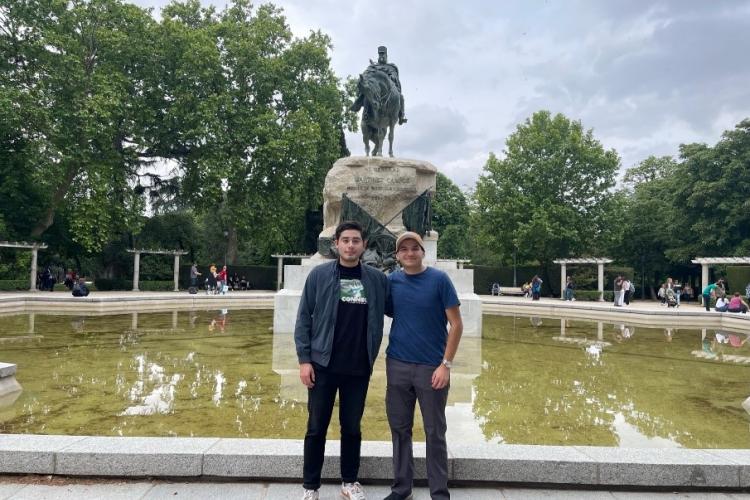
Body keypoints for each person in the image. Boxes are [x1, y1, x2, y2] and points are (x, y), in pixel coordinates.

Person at [295, 221, 389, 500]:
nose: (350, 245)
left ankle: (350, 482)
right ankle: (311, 487)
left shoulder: (376, 279)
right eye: (345, 240)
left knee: (352, 427)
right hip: (323, 365)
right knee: (316, 427)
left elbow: (400, 309)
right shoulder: (319, 276)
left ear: (364, 245)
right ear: (336, 244)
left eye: (356, 240)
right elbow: (303, 319)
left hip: (358, 366)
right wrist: (304, 360)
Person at [384, 231, 462, 500]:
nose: (409, 253)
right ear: (397, 256)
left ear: (422, 251)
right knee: (400, 429)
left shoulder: (439, 280)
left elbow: (457, 325)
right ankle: (401, 488)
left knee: (434, 431)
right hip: (397, 364)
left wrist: (446, 364)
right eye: (403, 249)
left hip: (432, 368)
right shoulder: (391, 281)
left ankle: (439, 492)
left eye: (414, 248)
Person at [351, 46, 407, 125]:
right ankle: (365, 113)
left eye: (383, 54)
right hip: (375, 89)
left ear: (386, 56)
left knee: (401, 97)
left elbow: (394, 75)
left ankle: (401, 115)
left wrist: (391, 77)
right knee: (367, 94)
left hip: (388, 88)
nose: (381, 56)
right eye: (380, 54)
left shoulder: (391, 66)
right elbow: (366, 75)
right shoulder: (373, 66)